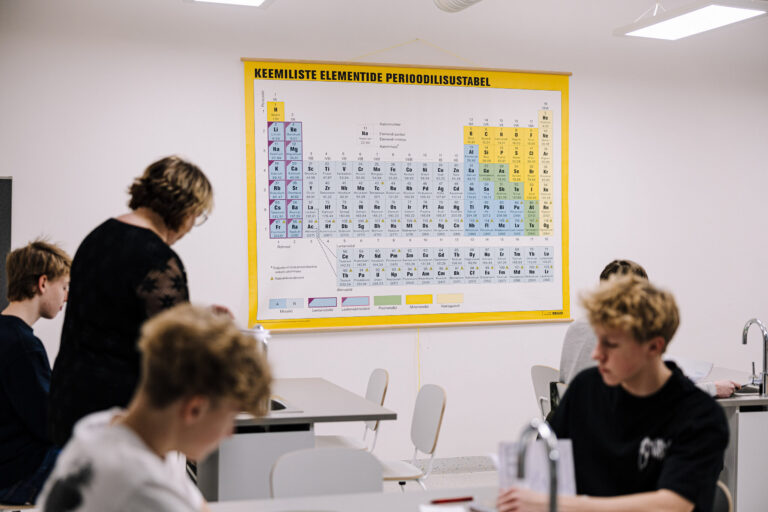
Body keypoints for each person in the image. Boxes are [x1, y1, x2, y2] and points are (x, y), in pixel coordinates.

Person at [499, 275, 729, 512]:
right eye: (598, 340)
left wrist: (559, 503)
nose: (596, 354)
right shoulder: (585, 389)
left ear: (654, 346)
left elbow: (671, 506)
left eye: (611, 344)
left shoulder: (699, 416)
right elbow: (542, 466)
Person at [38, 303, 271, 512]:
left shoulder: (101, 428)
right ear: (194, 410)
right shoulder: (144, 490)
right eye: (230, 417)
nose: (229, 433)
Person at [49, 155, 215, 447]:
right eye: (196, 215)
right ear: (185, 208)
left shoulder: (96, 238)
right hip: (119, 415)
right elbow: (175, 350)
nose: (191, 226)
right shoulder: (157, 259)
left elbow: (115, 314)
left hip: (69, 401)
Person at [559, 259, 739, 398]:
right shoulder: (625, 333)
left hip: (578, 425)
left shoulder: (576, 327)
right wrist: (712, 388)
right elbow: (658, 394)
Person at [0, 240, 71, 505]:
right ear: (42, 283)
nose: (66, 297)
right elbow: (49, 425)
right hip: (14, 476)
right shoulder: (24, 346)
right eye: (64, 287)